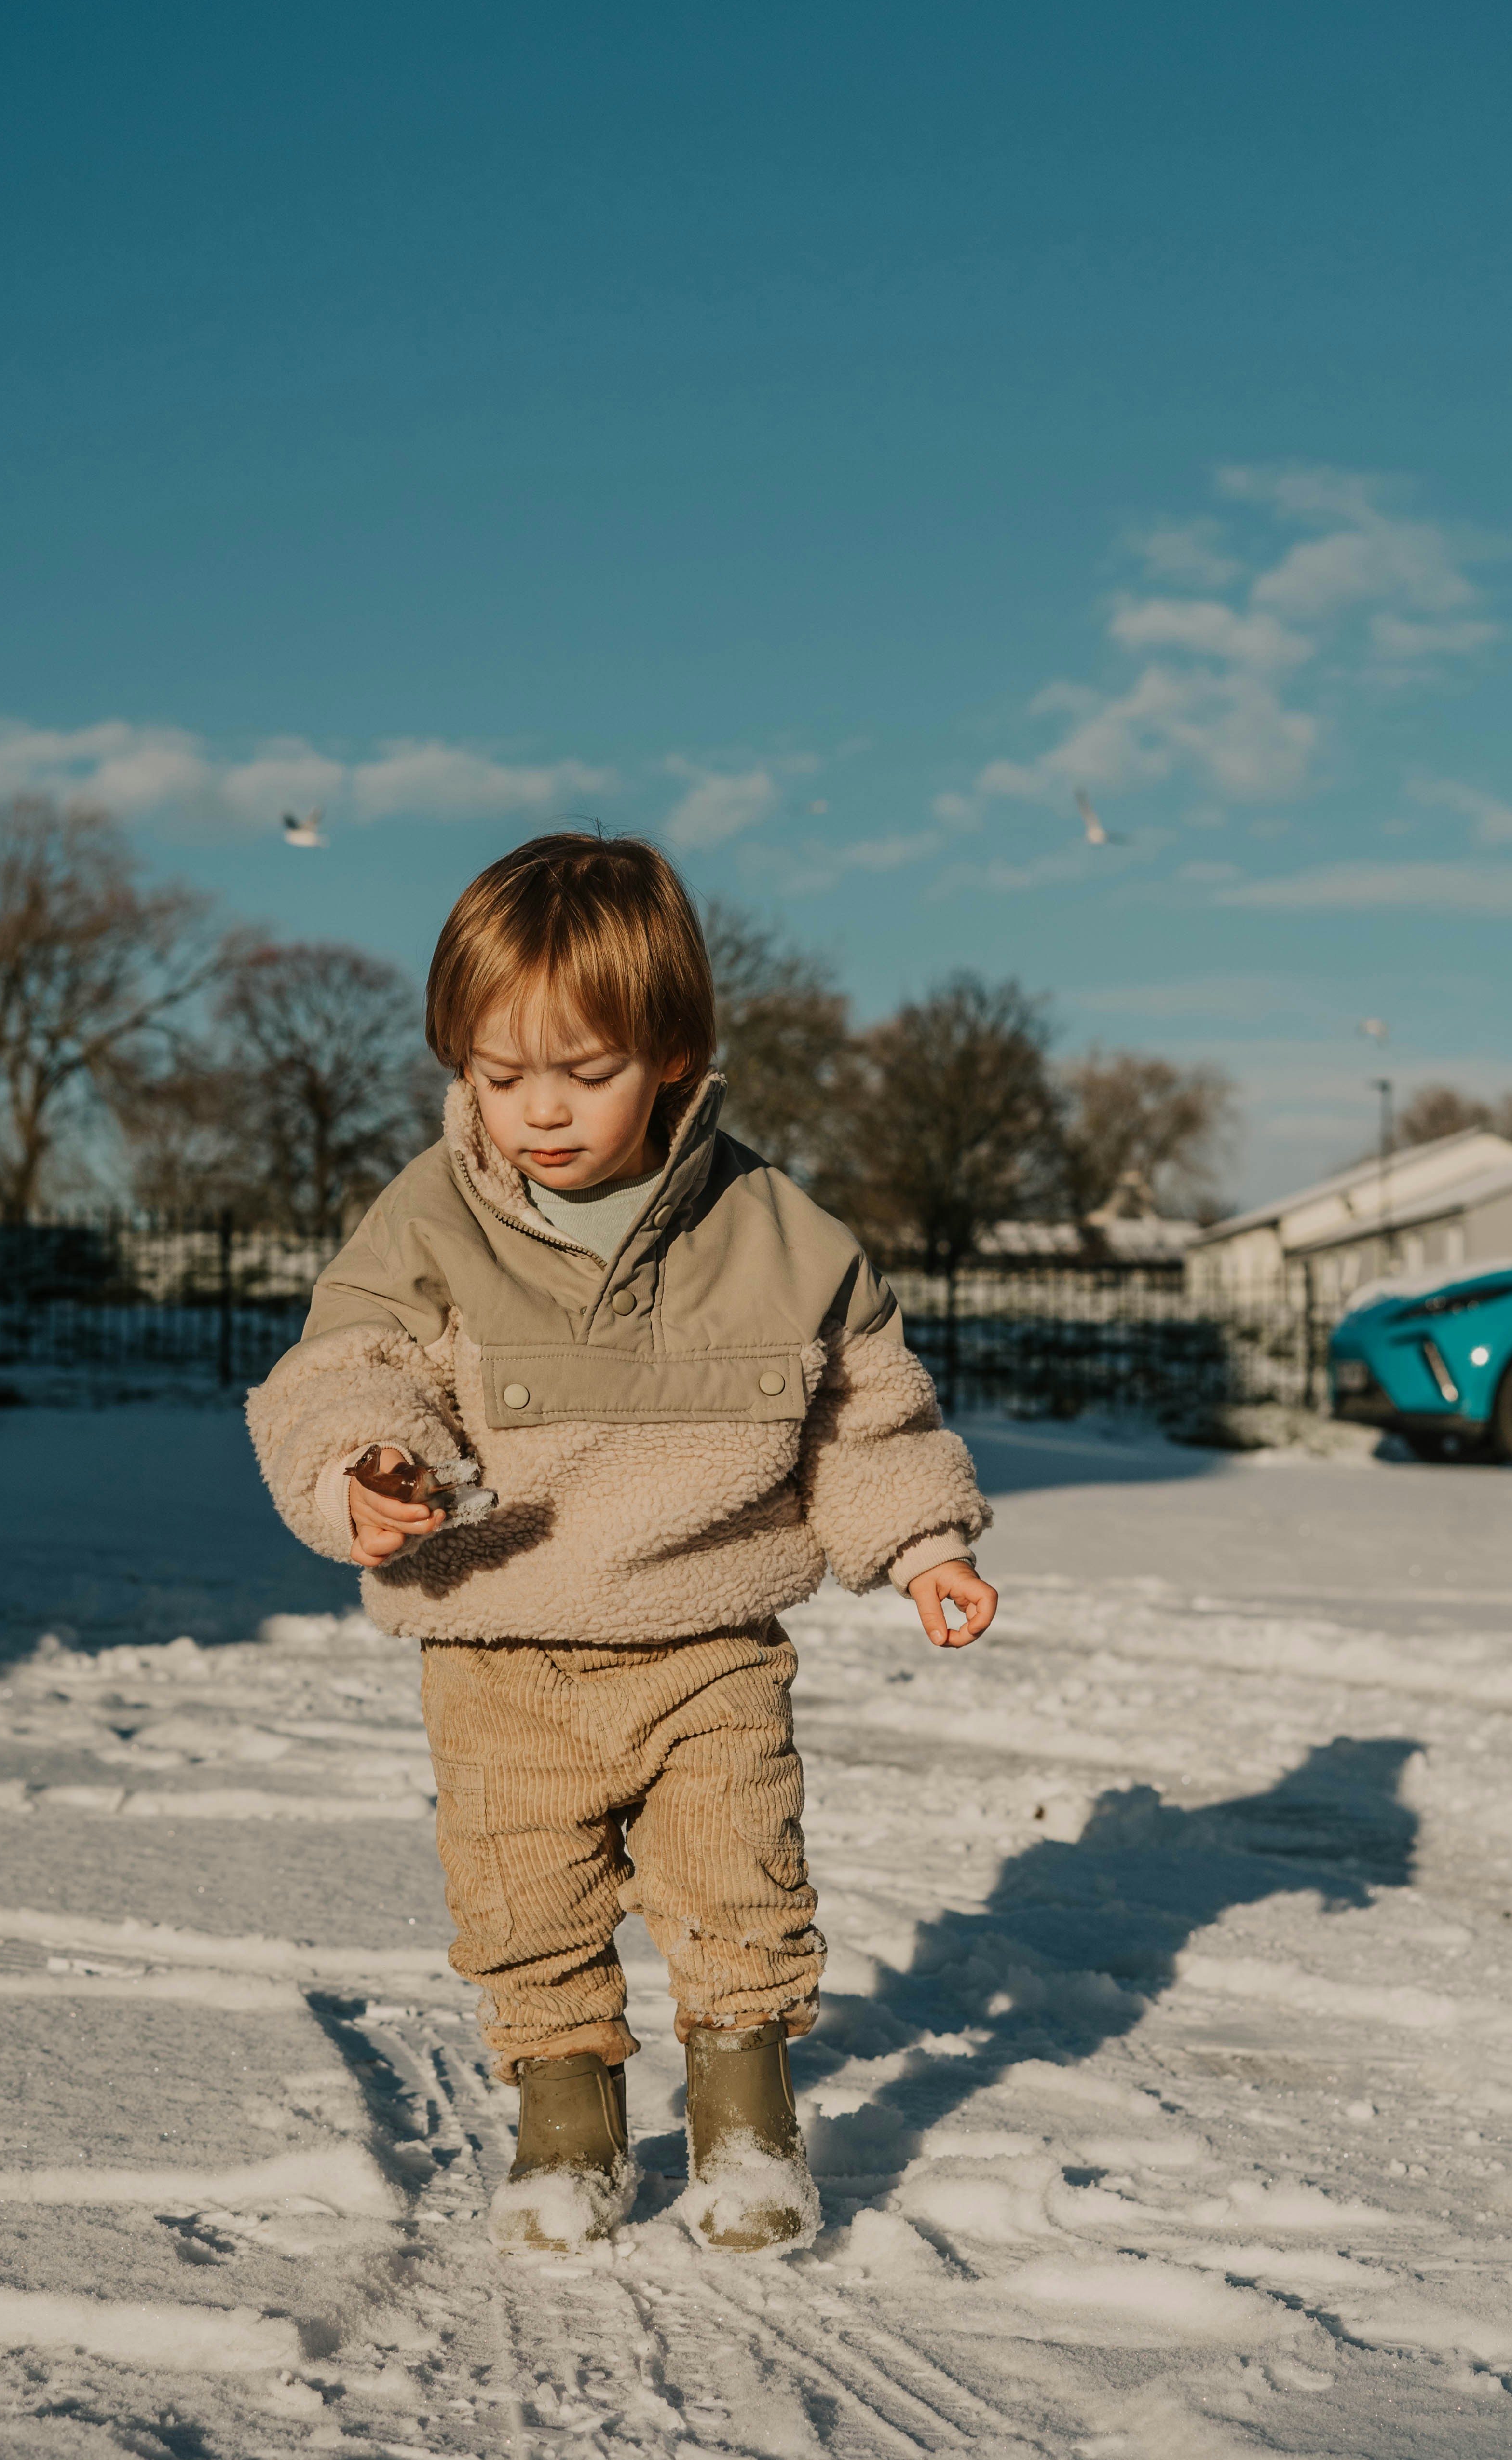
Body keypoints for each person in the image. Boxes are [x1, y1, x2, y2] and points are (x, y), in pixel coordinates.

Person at [248, 834, 996, 2257]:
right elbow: (344, 1366)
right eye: (495, 1071)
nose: (537, 1111)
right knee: (526, 1904)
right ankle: (568, 2131)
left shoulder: (780, 1234)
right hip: (499, 1647)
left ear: (673, 1052)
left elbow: (865, 1411)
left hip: (711, 1641)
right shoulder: (428, 1219)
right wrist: (362, 1472)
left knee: (741, 1885)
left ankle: (747, 2124)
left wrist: (924, 1545)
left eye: (581, 1073)